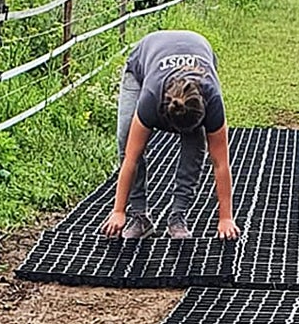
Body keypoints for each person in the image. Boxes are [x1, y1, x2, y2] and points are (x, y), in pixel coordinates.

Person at [100, 30, 239, 241]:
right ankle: (139, 215)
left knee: (195, 144)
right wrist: (118, 211)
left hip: (199, 48)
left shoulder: (212, 98)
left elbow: (220, 163)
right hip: (143, 62)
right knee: (126, 136)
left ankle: (178, 216)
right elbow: (131, 158)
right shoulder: (151, 98)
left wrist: (226, 218)